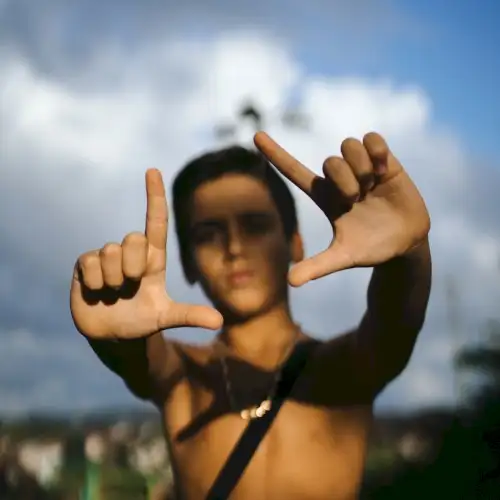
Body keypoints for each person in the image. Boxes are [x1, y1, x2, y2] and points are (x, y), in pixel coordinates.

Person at [70, 131, 432, 499]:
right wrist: (117, 329)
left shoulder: (342, 371)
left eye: (255, 225)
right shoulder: (185, 377)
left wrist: (406, 256)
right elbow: (139, 358)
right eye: (208, 235)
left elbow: (396, 319)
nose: (234, 247)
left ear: (295, 243)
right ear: (188, 264)